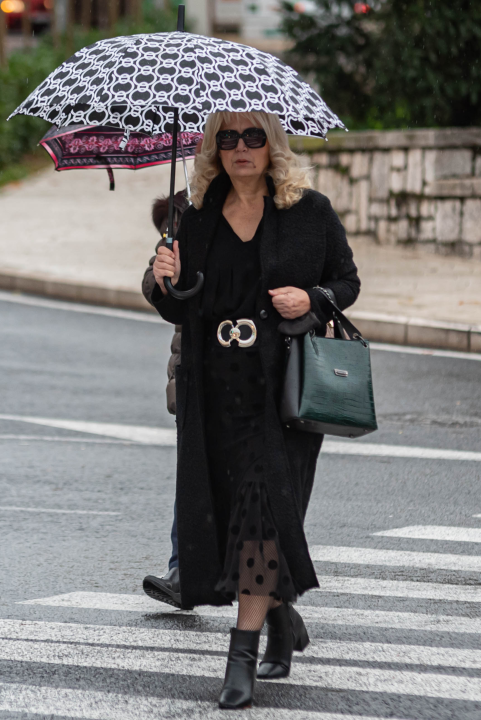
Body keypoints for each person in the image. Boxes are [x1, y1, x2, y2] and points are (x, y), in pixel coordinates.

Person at [150, 110, 360, 709]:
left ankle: (238, 659)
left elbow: (346, 282)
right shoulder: (194, 215)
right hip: (213, 394)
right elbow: (174, 306)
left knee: (261, 518)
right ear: (214, 148)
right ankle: (280, 618)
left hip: (281, 399)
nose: (242, 148)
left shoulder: (309, 211)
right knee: (233, 522)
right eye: (228, 138)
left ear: (273, 145)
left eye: (254, 137)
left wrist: (313, 298)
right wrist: (163, 279)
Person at [141, 191, 189, 611]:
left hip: (254, 365)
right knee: (192, 475)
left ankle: (276, 599)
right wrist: (162, 274)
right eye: (225, 139)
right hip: (195, 369)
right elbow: (155, 289)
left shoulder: (274, 208)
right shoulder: (184, 212)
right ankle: (182, 573)